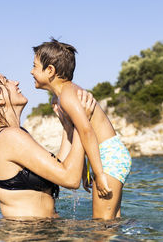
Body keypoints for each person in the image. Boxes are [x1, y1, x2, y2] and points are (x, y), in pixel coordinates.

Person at [0, 66, 96, 218]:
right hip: (29, 233)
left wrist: (68, 129)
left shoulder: (8, 135)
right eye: (6, 81)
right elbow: (71, 179)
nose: (16, 82)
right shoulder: (10, 137)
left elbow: (59, 170)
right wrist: (81, 121)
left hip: (37, 231)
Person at [30, 39, 132, 220]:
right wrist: (87, 171)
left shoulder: (68, 95)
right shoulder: (60, 98)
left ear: (50, 70)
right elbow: (82, 135)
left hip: (108, 157)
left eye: (35, 66)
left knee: (101, 228)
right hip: (106, 156)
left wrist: (99, 174)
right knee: (112, 224)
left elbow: (86, 132)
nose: (31, 71)